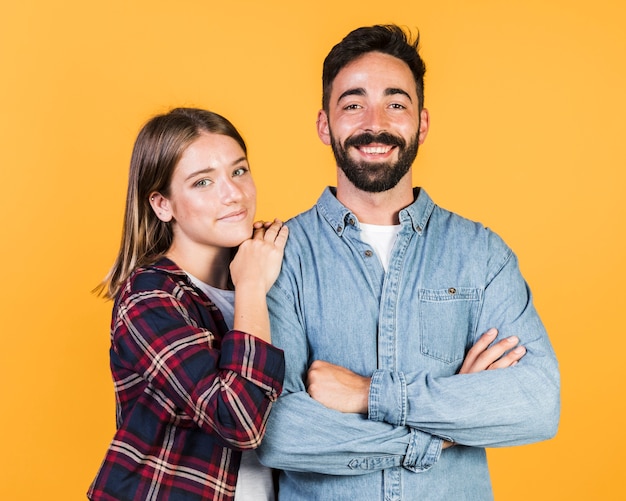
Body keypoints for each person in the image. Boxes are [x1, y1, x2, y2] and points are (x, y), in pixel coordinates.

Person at [256, 25, 560, 500]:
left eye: (395, 104)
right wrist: (445, 425)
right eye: (353, 104)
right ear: (323, 125)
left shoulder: (481, 254)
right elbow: (275, 431)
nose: (375, 123)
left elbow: (536, 403)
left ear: (421, 123)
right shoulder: (278, 255)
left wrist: (367, 394)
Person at [88, 107, 288, 501]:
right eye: (202, 182)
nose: (233, 194)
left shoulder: (279, 275)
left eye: (239, 170)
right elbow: (239, 421)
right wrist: (249, 284)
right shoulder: (148, 298)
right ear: (163, 205)